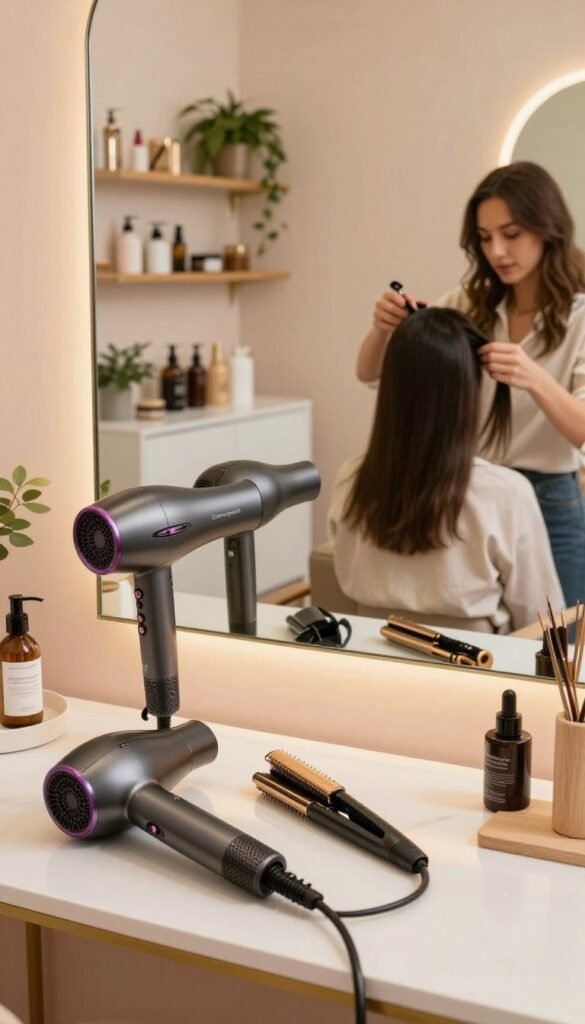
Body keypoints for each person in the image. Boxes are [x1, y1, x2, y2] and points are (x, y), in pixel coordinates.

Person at [356, 162, 585, 610]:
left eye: (511, 234)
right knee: (486, 630)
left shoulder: (580, 317)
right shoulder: (469, 304)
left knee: (563, 637)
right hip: (473, 491)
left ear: (548, 228)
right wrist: (384, 329)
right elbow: (370, 374)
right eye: (484, 237)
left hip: (551, 501)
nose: (497, 251)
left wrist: (534, 377)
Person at [331, 307, 563, 633]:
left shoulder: (351, 479)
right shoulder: (506, 493)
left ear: (391, 387)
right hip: (479, 661)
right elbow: (542, 619)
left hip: (368, 653)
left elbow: (343, 572)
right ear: (467, 393)